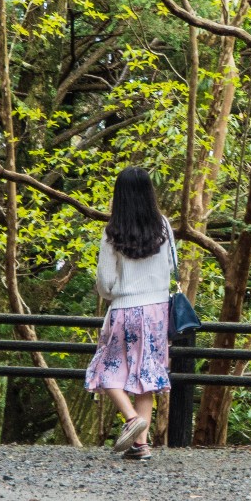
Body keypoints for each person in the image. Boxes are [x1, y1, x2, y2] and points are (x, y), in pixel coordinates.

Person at [84, 166, 174, 460]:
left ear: (119, 194)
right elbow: (171, 266)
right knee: (145, 375)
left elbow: (105, 283)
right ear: (150, 192)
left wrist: (117, 293)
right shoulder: (164, 226)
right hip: (158, 311)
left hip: (125, 309)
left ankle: (132, 419)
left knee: (106, 369)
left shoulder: (113, 231)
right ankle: (141, 445)